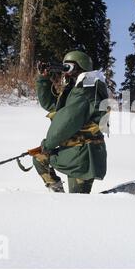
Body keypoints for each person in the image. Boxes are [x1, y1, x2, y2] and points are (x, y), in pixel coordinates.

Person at [33, 50, 108, 193]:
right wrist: (43, 79)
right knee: (40, 158)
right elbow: (54, 106)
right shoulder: (77, 89)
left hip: (84, 154)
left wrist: (47, 145)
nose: (65, 71)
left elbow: (66, 122)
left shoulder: (87, 90)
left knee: (78, 201)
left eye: (68, 67)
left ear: (81, 67)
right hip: (75, 152)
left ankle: (115, 201)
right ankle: (59, 197)